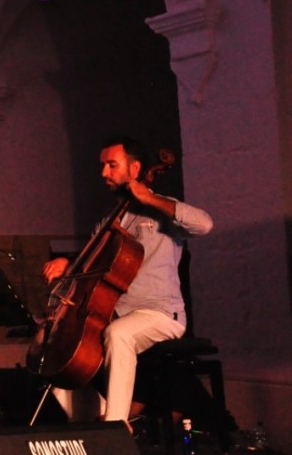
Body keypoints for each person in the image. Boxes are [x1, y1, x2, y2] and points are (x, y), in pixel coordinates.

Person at [41, 136, 213, 429]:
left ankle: (116, 424)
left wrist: (149, 198)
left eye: (112, 165)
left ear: (135, 169)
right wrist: (70, 264)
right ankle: (86, 427)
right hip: (117, 312)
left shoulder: (163, 210)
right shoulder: (109, 221)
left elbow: (205, 224)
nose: (103, 173)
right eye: (103, 166)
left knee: (119, 334)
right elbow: (94, 267)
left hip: (160, 314)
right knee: (65, 351)